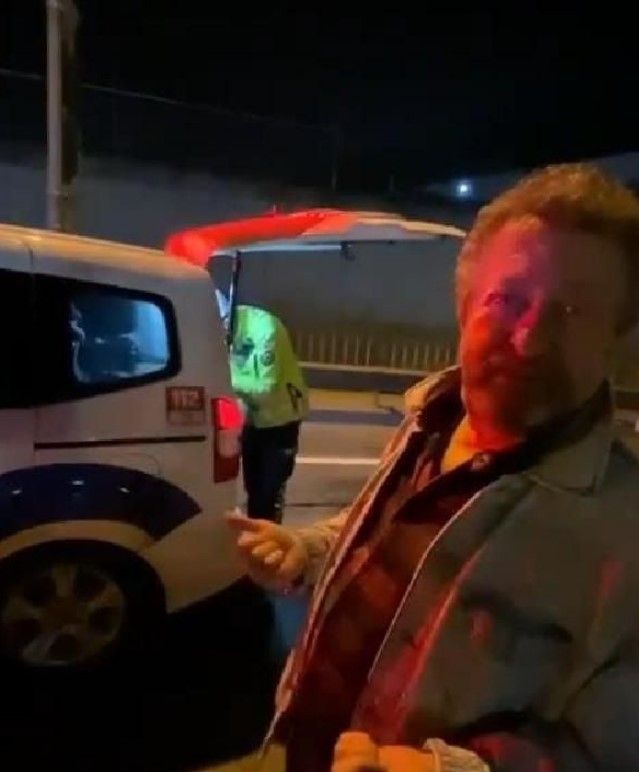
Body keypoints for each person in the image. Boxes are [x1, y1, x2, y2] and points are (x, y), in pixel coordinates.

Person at [227, 163, 639, 771]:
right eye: (506, 300)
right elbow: (388, 538)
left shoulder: (625, 530)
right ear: (465, 305)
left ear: (617, 339)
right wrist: (309, 552)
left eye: (573, 312)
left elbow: (611, 749)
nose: (529, 339)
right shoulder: (429, 421)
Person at [217, 289, 309, 523]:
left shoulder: (265, 329)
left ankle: (269, 536)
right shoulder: (217, 334)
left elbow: (265, 388)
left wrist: (223, 378)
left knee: (268, 493)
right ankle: (256, 531)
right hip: (252, 417)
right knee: (252, 489)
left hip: (281, 418)